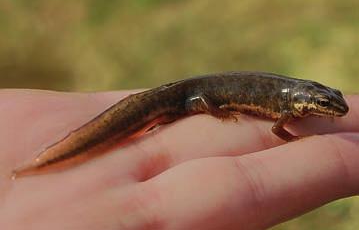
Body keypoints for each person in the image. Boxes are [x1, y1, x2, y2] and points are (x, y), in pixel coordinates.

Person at [0, 90, 358, 230]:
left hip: (188, 96)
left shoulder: (293, 101)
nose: (331, 109)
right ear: (303, 103)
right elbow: (278, 131)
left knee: (157, 114)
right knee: (168, 110)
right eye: (325, 105)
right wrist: (218, 113)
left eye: (328, 103)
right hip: (193, 96)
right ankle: (44, 162)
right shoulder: (285, 112)